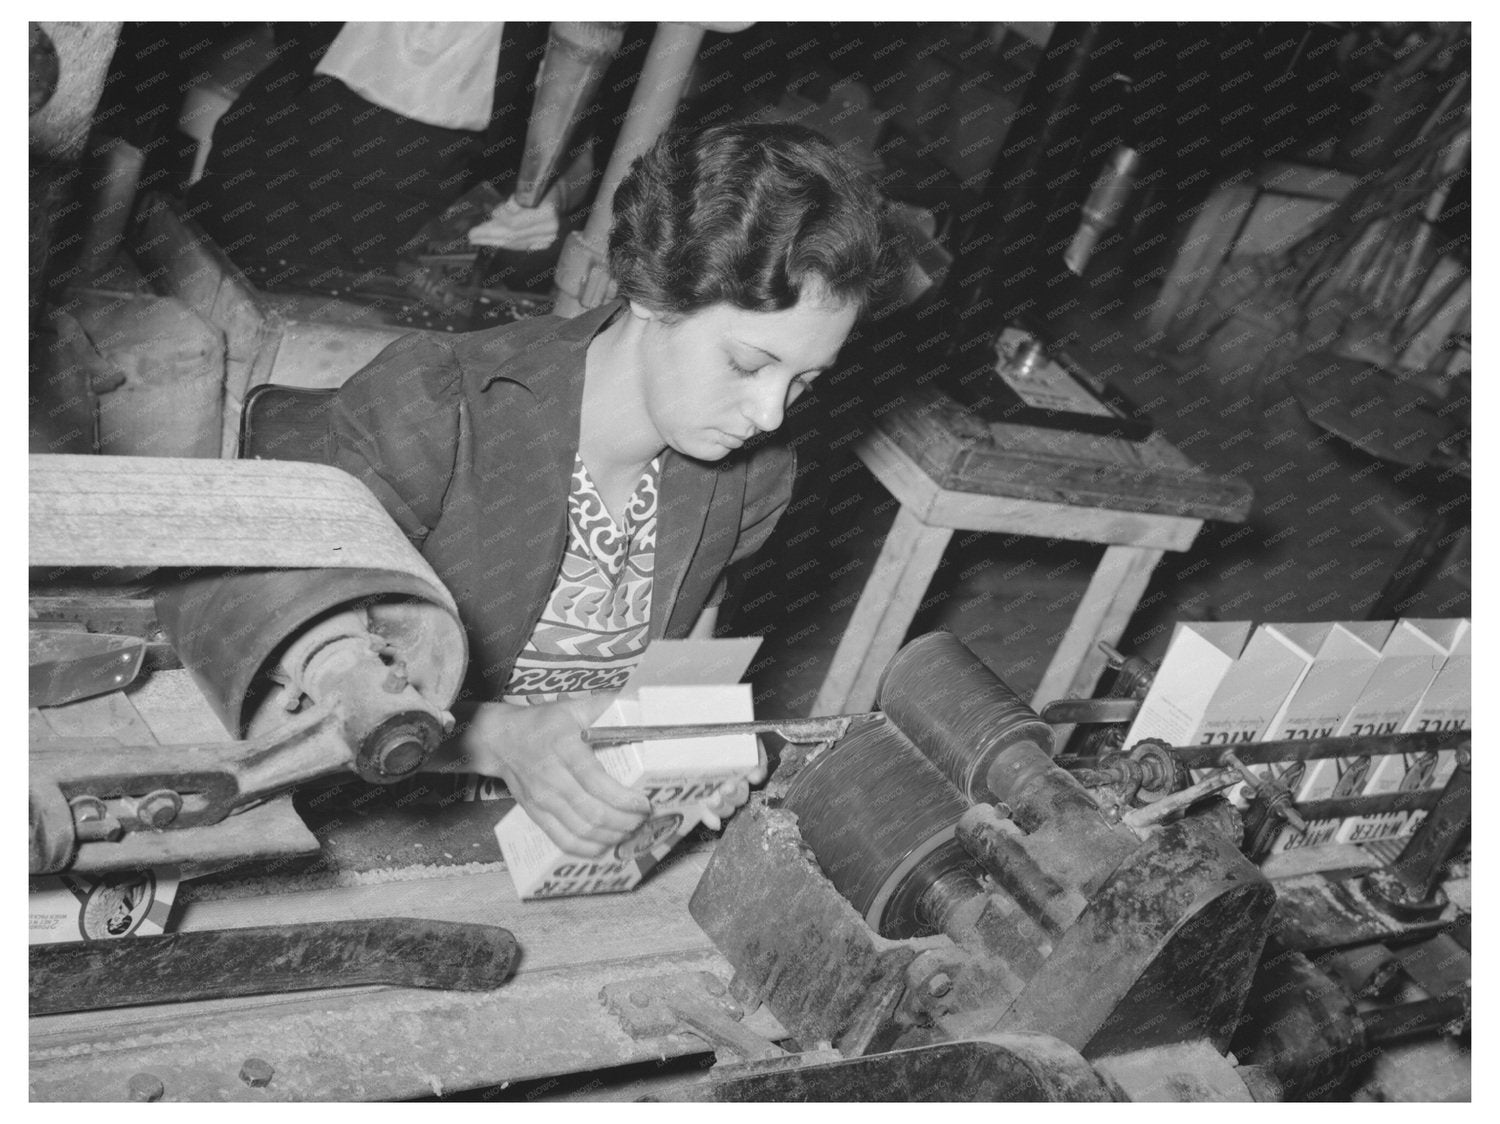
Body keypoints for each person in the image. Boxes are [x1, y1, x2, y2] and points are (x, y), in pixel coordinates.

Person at [328, 122, 907, 856]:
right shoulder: (438, 408)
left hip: (558, 845)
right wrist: (496, 741)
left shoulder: (751, 477)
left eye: (805, 381)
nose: (770, 413)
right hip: (370, 821)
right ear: (654, 293)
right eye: (746, 363)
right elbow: (288, 687)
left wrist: (695, 759)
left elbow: (678, 689)